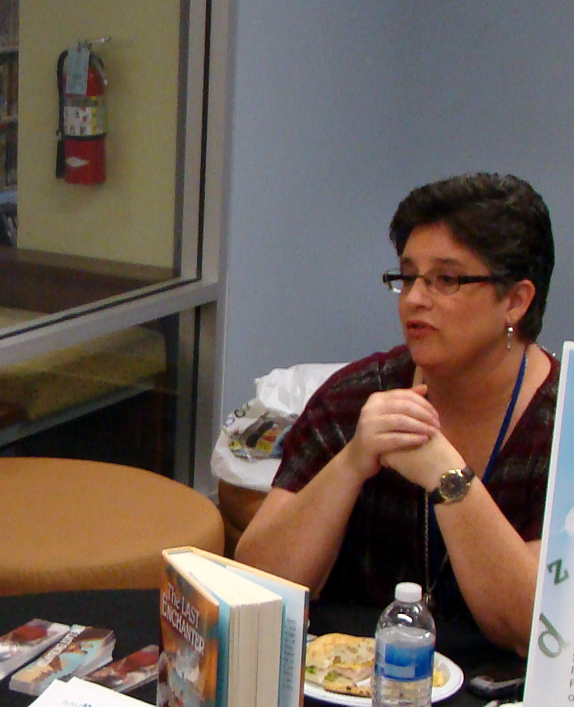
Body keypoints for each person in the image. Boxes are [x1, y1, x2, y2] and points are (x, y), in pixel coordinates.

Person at [236, 173, 557, 657]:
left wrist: (449, 478)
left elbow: (531, 630)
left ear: (515, 301)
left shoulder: (568, 430)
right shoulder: (351, 401)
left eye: (446, 279)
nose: (414, 299)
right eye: (408, 277)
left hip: (501, 695)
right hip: (350, 681)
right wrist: (351, 464)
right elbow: (255, 591)